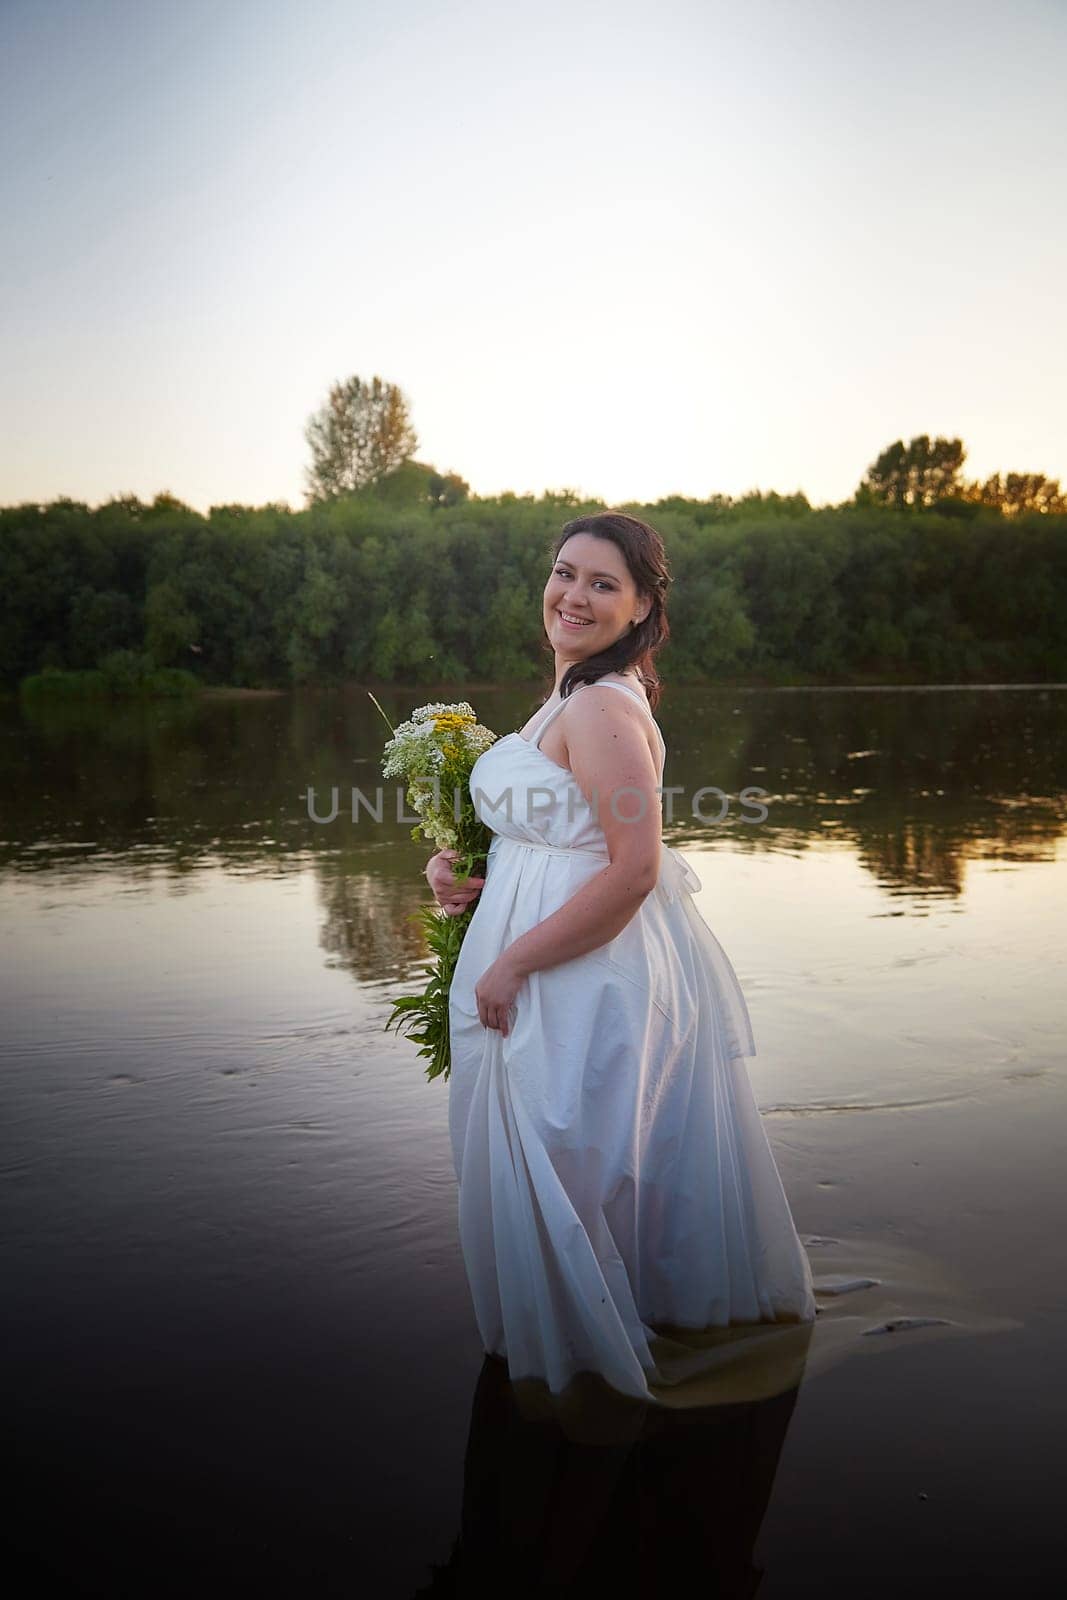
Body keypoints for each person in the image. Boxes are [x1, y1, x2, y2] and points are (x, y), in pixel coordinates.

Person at [425, 511, 817, 1410]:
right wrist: (474, 876)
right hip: (550, 957)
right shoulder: (569, 694)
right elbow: (567, 844)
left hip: (570, 979)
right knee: (562, 1172)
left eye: (604, 584)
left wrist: (510, 962)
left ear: (642, 607)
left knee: (560, 1171)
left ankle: (587, 1384)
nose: (574, 595)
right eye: (566, 574)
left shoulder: (601, 703)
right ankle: (579, 1353)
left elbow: (634, 869)